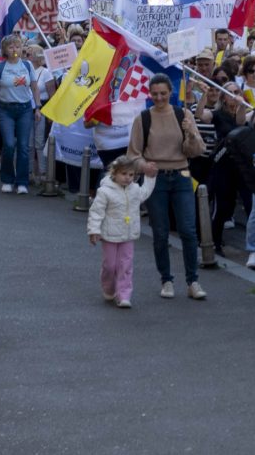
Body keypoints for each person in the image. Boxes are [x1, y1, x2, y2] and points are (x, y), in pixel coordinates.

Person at [128, 74, 210, 301]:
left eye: (163, 93)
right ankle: (166, 279)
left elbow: (196, 150)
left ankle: (193, 280)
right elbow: (133, 154)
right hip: (156, 179)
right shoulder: (143, 118)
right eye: (155, 94)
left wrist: (190, 132)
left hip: (182, 175)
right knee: (160, 231)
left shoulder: (183, 114)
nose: (159, 98)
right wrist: (144, 165)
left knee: (188, 230)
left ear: (170, 92)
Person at [87, 154, 157, 310]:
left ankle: (124, 295)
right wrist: (94, 230)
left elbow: (145, 192)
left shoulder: (135, 189)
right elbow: (96, 211)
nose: (127, 178)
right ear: (114, 173)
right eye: (123, 174)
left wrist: (150, 177)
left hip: (128, 234)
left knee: (125, 265)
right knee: (110, 266)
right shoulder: (105, 191)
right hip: (110, 235)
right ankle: (108, 287)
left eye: (131, 175)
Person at [0, 35, 40, 194]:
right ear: (5, 50)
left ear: (21, 48)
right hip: (5, 109)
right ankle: (7, 179)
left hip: (24, 109)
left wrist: (37, 107)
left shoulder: (28, 65)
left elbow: (34, 87)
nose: (14, 49)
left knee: (23, 146)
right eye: (11, 47)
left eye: (17, 46)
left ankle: (22, 181)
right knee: (9, 144)